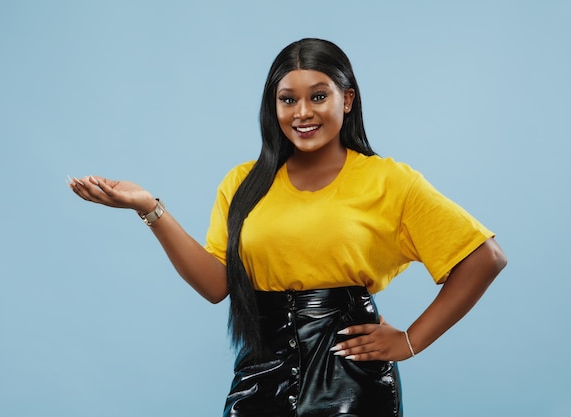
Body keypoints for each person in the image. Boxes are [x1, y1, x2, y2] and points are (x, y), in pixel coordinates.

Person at [68, 38, 507, 417]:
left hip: (348, 377)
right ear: (272, 104)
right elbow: (216, 284)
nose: (302, 112)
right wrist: (149, 208)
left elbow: (484, 257)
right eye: (287, 99)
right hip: (258, 370)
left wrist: (411, 341)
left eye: (319, 96)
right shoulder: (243, 183)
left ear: (347, 100)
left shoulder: (389, 181)